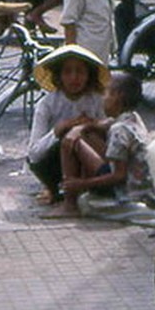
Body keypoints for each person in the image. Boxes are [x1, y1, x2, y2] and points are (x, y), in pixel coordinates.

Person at [52, 71, 155, 218]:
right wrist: (80, 128)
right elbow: (101, 124)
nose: (103, 99)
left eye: (106, 93)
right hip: (135, 182)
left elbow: (119, 176)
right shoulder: (132, 118)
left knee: (68, 141)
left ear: (117, 96)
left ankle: (70, 204)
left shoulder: (119, 130)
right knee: (87, 134)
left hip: (125, 189)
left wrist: (81, 183)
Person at [25, 44, 109, 205]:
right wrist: (59, 130)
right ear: (59, 75)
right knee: (67, 138)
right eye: (68, 72)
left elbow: (110, 135)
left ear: (88, 75)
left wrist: (92, 125)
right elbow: (34, 154)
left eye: (80, 72)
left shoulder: (96, 101)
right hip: (53, 163)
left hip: (88, 161)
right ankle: (59, 190)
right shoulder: (47, 104)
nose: (74, 78)